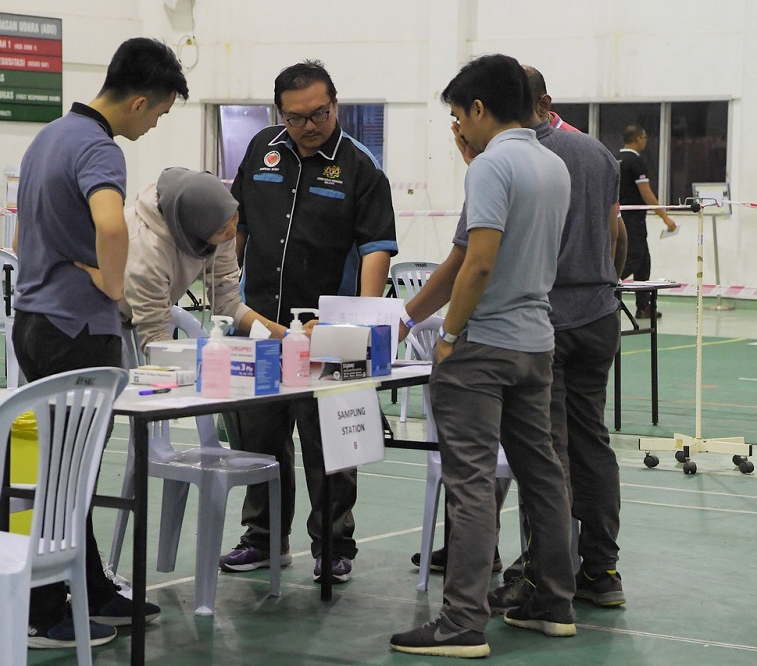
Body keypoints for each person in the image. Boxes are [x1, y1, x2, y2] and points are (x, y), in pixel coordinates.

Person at [389, 54, 575, 658]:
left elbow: (480, 262)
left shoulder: (493, 168)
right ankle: (553, 603)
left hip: (484, 348)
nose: (457, 131)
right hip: (535, 345)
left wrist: (447, 337)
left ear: (477, 108)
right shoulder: (552, 164)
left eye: (457, 116)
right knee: (542, 474)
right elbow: (464, 257)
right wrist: (408, 316)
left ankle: (461, 624)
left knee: (468, 483)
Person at [10, 37, 186, 651]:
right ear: (139, 101)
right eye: (160, 111)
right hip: (76, 331)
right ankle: (41, 606)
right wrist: (114, 286)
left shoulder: (50, 136)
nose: (157, 122)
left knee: (69, 469)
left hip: (34, 320)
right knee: (68, 473)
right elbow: (111, 223)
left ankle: (87, 583)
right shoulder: (99, 150)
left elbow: (22, 230)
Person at [219, 60, 397, 583]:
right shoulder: (262, 150)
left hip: (329, 335)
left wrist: (360, 324)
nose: (309, 125)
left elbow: (376, 249)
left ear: (335, 105)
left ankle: (334, 543)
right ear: (281, 113)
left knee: (330, 445)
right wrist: (226, 292)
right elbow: (238, 227)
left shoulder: (361, 167)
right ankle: (264, 538)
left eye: (319, 113)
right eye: (296, 117)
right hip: (259, 328)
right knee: (259, 440)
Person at [482, 66, 628, 611]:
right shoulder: (597, 153)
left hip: (550, 322)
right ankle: (603, 569)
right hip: (599, 314)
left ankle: (546, 575)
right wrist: (606, 284)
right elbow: (617, 234)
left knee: (546, 453)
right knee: (592, 442)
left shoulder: (520, 160)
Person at [120, 166, 286, 354]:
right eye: (221, 229)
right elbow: (155, 340)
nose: (232, 233)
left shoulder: (218, 226)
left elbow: (228, 302)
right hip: (100, 311)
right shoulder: (149, 251)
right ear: (195, 232)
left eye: (234, 217)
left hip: (136, 313)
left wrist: (286, 335)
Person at [618, 124, 676, 318]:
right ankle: (606, 288)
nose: (645, 141)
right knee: (633, 259)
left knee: (644, 262)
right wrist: (665, 217)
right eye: (644, 138)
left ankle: (643, 307)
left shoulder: (615, 159)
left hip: (619, 217)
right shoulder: (636, 162)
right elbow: (646, 193)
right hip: (633, 220)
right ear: (638, 139)